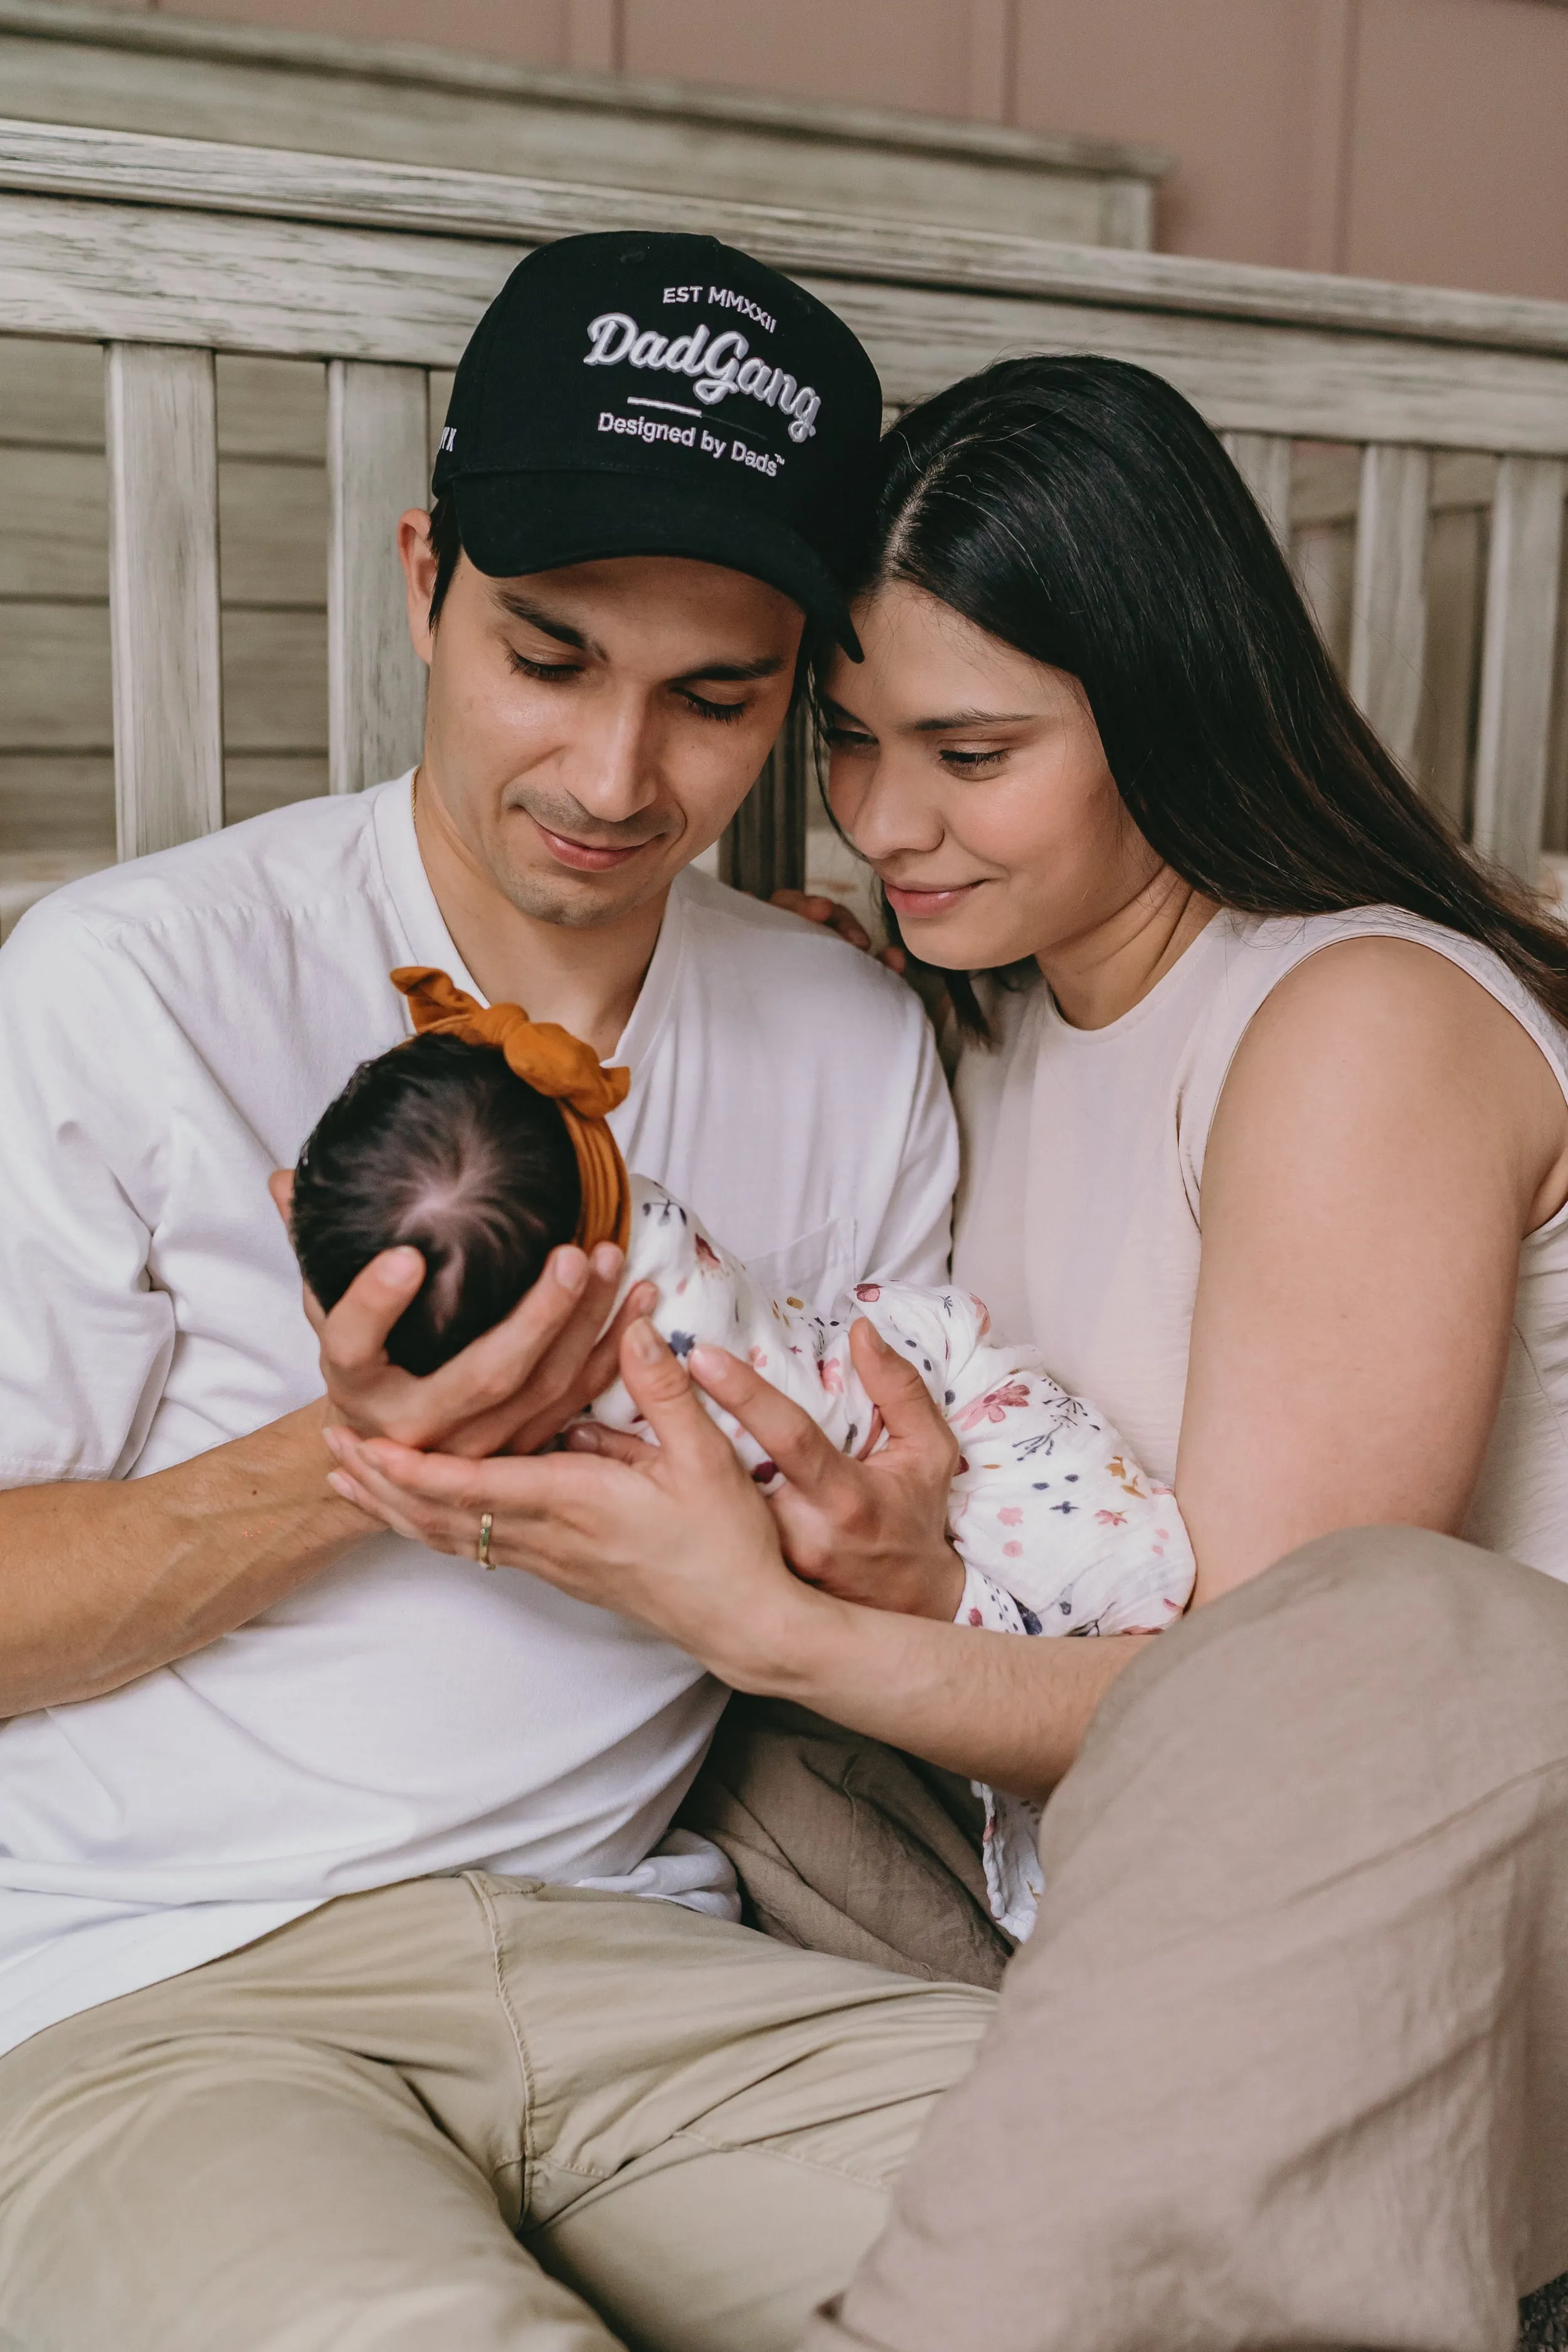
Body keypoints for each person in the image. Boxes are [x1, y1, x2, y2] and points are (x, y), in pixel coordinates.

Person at [329, 354, 1568, 2348]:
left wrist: (780, 1624)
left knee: (1344, 1644)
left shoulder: (1354, 1023)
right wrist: (879, 1575)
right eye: (847, 739)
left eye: (971, 754)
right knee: (691, 1745)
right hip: (1074, 1875)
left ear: (1161, 704)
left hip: (1441, 1892)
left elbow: (1269, 1719)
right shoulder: (974, 1024)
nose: (887, 819)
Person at [0, 233, 1004, 2352]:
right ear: (423, 581)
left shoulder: (849, 1035)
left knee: (1148, 2237)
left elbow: (898, 1542)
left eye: (715, 699)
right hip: (165, 1983)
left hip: (652, 1959)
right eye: (548, 657)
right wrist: (356, 1459)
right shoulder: (134, 983)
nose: (617, 782)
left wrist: (888, 1570)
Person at [289, 960, 1194, 1932]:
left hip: (934, 1432)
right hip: (926, 1380)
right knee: (1098, 1630)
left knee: (1100, 1645)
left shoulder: (563, 1392)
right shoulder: (643, 1226)